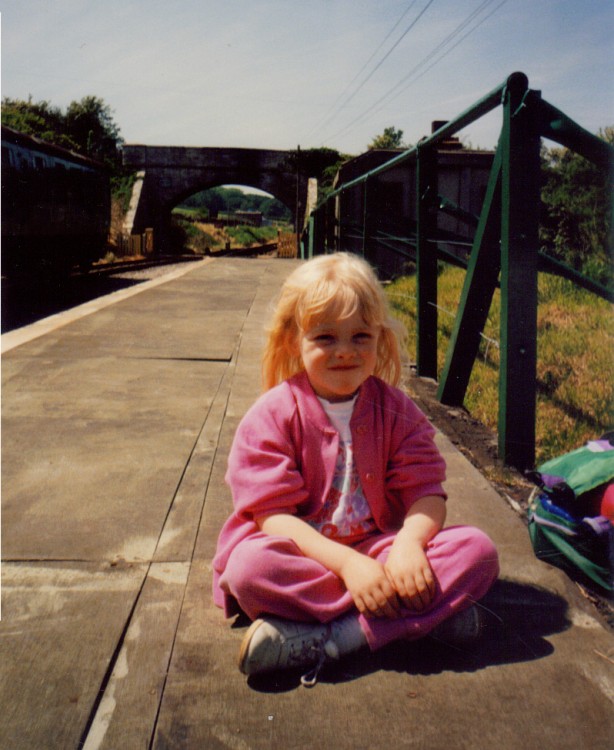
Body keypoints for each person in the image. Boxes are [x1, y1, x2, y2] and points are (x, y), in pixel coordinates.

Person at [212, 252, 499, 685]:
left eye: (360, 337)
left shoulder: (397, 409)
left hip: (382, 552)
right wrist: (349, 567)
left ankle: (334, 637)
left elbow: (428, 494)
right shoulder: (271, 414)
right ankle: (420, 617)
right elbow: (273, 519)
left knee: (478, 552)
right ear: (295, 341)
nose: (345, 352)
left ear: (379, 341)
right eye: (326, 338)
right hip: (306, 556)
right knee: (249, 569)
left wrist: (407, 546)